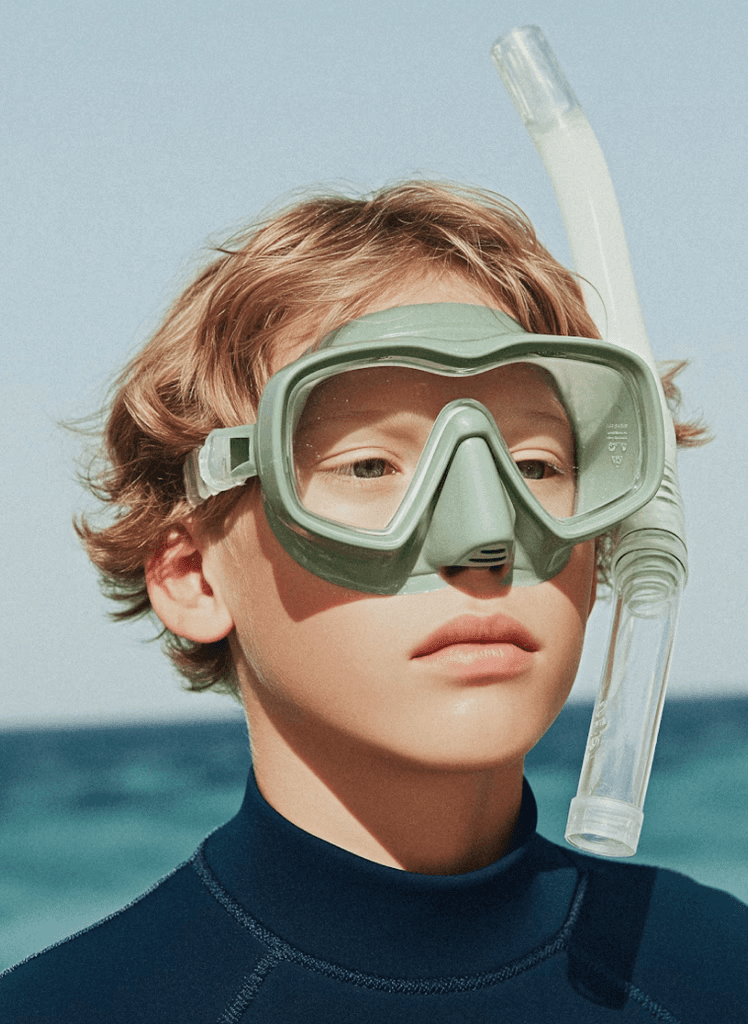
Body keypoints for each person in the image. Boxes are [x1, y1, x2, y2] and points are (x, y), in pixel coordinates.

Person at [2, 182, 745, 1022]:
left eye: (535, 466)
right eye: (368, 467)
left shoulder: (721, 972)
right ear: (193, 578)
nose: (484, 539)